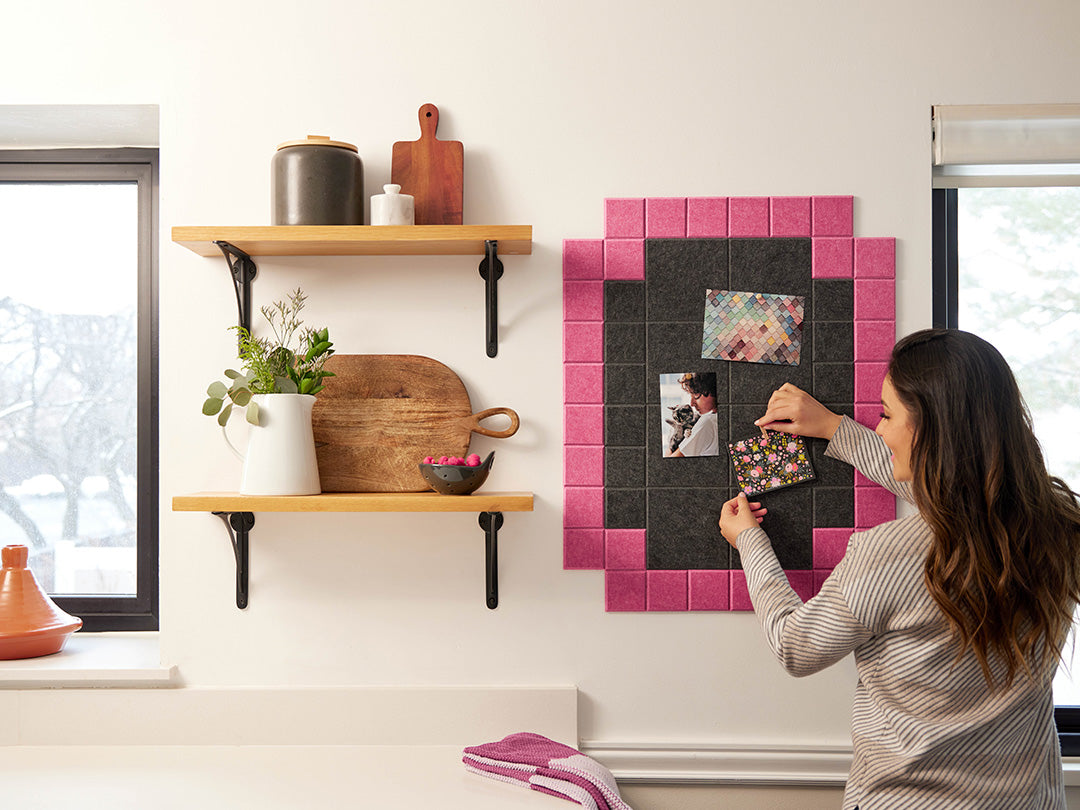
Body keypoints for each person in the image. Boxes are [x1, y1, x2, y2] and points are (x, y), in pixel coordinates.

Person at [718, 328, 1080, 809]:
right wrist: (835, 429)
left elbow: (795, 645)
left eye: (888, 415)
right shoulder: (1060, 526)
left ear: (934, 430)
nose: (881, 429)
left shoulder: (886, 555)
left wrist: (750, 542)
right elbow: (963, 495)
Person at [668, 372, 718, 457]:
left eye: (696, 395)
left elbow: (670, 461)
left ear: (712, 390)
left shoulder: (708, 422)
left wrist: (669, 448)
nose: (692, 403)